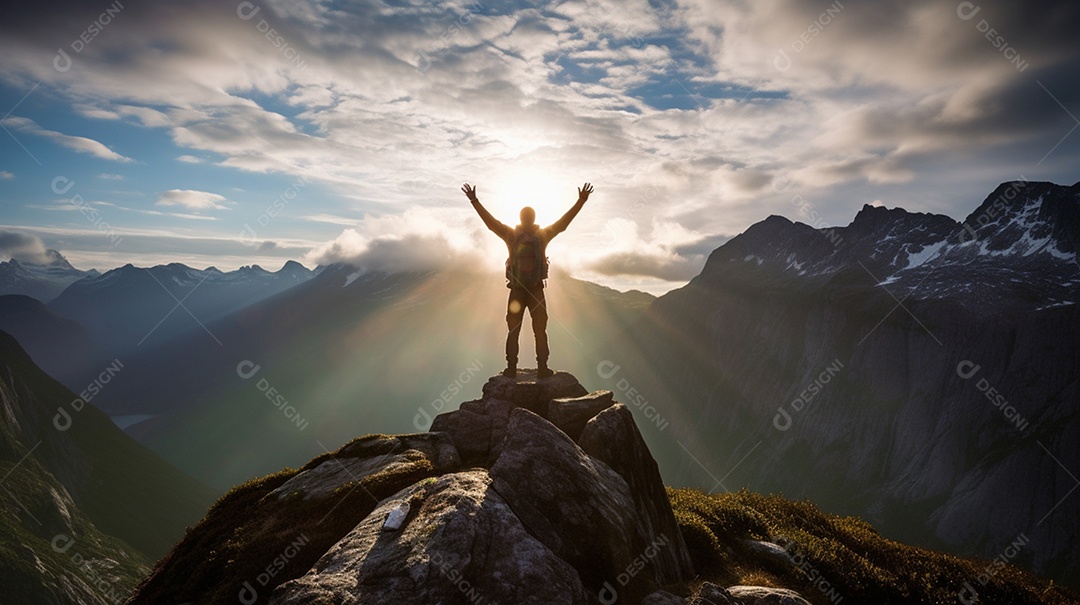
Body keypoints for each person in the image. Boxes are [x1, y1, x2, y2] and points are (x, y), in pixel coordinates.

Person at [463, 181, 593, 378]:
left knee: (513, 330)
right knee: (540, 330)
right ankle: (542, 368)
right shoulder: (542, 235)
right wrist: (580, 201)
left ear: (520, 218)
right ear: (534, 218)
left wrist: (474, 200)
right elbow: (563, 224)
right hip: (536, 290)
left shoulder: (510, 235)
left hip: (516, 290)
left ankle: (511, 369)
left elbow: (490, 224)